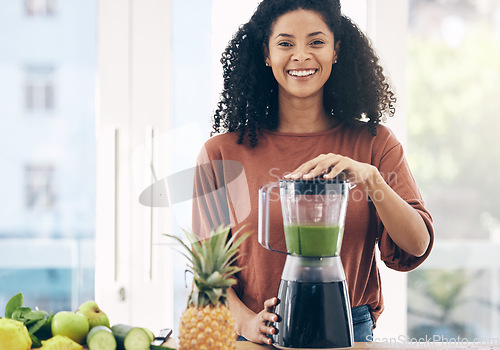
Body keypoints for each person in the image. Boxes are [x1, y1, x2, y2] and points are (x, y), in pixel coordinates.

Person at [191, 0, 434, 345]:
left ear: (336, 50)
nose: (301, 56)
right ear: (266, 53)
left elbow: (416, 244)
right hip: (255, 332)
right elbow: (208, 271)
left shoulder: (375, 144)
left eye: (316, 42)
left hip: (350, 328)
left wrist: (370, 179)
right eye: (286, 43)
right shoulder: (220, 154)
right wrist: (247, 324)